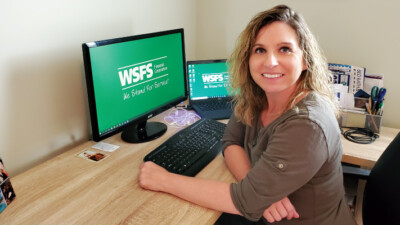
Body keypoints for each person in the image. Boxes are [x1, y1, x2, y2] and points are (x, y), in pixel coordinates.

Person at [139, 5, 356, 225]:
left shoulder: (307, 125)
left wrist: (163, 179)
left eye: (284, 49)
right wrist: (260, 192)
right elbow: (230, 140)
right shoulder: (257, 96)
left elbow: (245, 201)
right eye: (260, 50)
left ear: (305, 60)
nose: (270, 62)